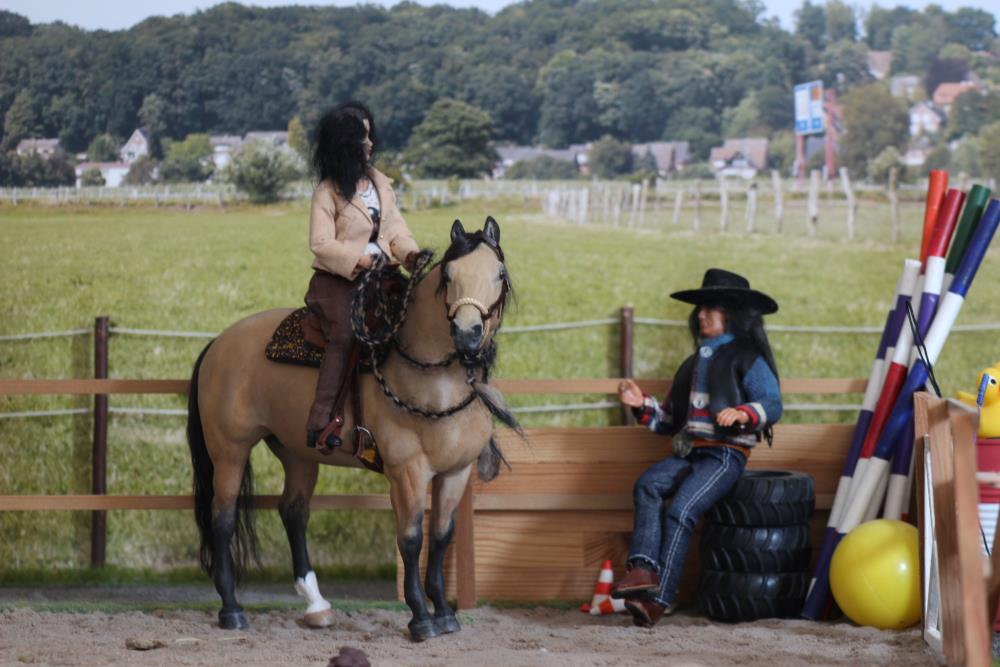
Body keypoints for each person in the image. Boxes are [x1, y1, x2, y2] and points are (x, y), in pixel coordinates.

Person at [610, 268, 782, 627]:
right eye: (700, 309)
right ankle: (642, 568)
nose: (702, 315)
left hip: (725, 455)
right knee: (648, 485)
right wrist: (641, 404)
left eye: (711, 308)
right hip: (690, 450)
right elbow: (669, 420)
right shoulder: (691, 366)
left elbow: (772, 402)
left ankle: (659, 599)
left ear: (732, 314)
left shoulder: (747, 358)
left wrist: (744, 413)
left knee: (681, 511)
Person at [304, 102, 420, 452]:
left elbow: (395, 230)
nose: (370, 144)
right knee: (344, 333)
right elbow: (320, 243)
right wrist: (361, 259)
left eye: (370, 136)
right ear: (345, 144)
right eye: (362, 138)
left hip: (382, 276)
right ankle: (322, 420)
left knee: (418, 317)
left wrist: (411, 255)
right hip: (339, 281)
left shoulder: (381, 185)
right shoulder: (327, 192)